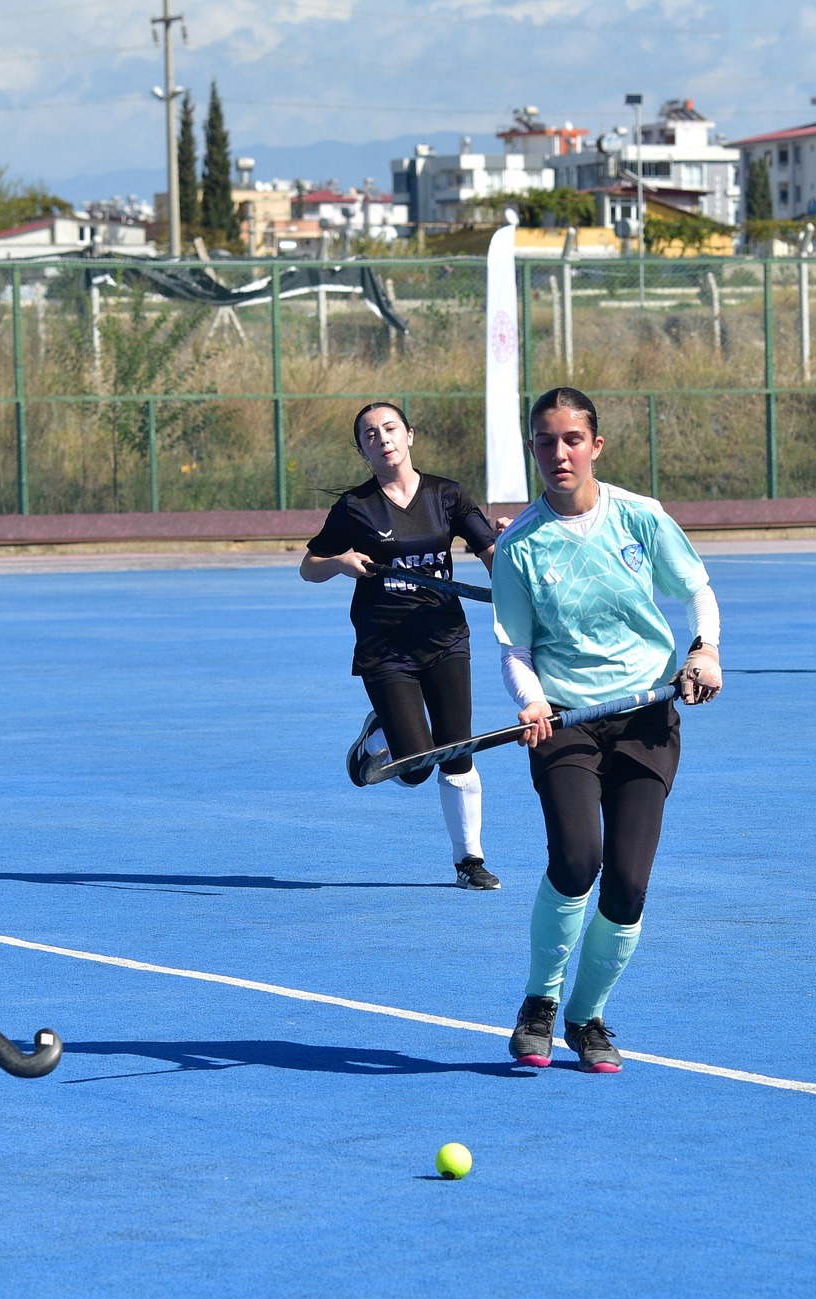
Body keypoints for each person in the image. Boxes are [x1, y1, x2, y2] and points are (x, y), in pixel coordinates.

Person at [492, 387, 722, 1074]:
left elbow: (696, 590)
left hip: (646, 718)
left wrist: (703, 649)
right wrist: (531, 702)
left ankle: (586, 1016)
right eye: (544, 441)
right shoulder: (518, 546)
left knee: (626, 883)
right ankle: (539, 1002)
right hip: (564, 722)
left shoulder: (641, 518)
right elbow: (515, 651)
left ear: (596, 445)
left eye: (571, 439)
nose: (558, 453)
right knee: (576, 859)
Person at [302, 400, 503, 890]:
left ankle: (469, 862)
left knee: (457, 747)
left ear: (409, 435)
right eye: (370, 434)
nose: (383, 438)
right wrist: (341, 563)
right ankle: (377, 737)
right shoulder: (355, 507)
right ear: (362, 450)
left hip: (446, 638)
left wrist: (516, 564)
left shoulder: (447, 495)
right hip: (385, 646)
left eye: (390, 428)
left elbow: (492, 555)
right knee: (412, 770)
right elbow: (310, 565)